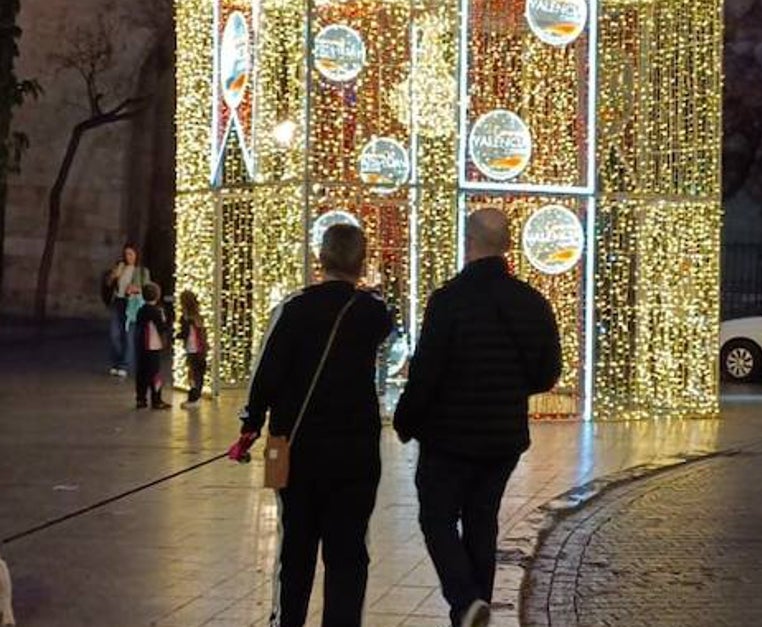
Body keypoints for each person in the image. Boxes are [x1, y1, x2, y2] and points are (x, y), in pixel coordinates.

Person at [394, 208, 562, 627]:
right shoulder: (531, 302)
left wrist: (406, 420)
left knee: (436, 517)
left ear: (467, 240)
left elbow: (427, 371)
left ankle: (466, 600)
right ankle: (473, 610)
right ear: (507, 245)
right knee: (481, 520)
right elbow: (547, 372)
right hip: (503, 437)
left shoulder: (449, 300)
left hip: (450, 438)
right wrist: (509, 389)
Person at [229, 223, 392, 627]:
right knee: (349, 554)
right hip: (355, 452)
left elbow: (266, 374)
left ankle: (288, 621)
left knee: (296, 550)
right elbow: (387, 325)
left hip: (296, 449)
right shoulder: (372, 313)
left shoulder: (294, 308)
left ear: (320, 258)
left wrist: (250, 425)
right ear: (361, 261)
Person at [105, 243, 150, 377]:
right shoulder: (121, 267)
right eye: (126, 254)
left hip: (132, 303)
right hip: (118, 301)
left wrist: (136, 289)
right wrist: (114, 275)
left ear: (136, 255)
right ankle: (116, 361)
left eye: (131, 254)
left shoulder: (141, 271)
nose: (128, 257)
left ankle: (124, 364)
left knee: (128, 335)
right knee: (114, 334)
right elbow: (108, 283)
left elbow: (148, 289)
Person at [134, 282, 172, 410]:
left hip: (142, 345)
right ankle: (156, 400)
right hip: (153, 345)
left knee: (142, 373)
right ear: (157, 295)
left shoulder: (141, 310)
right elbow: (162, 327)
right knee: (155, 374)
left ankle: (141, 399)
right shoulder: (156, 311)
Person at [178, 290, 208, 410]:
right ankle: (196, 397)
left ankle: (194, 398)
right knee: (198, 374)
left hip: (192, 348)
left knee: (193, 374)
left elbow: (185, 334)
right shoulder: (198, 317)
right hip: (200, 349)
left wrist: (176, 336)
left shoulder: (185, 318)